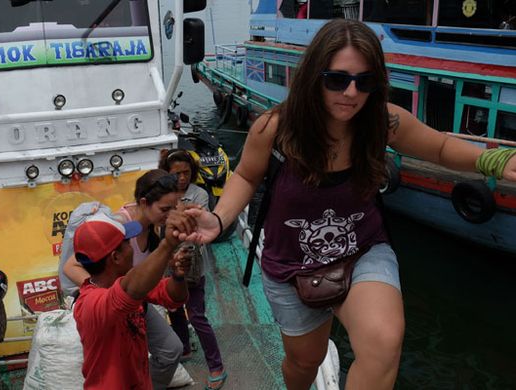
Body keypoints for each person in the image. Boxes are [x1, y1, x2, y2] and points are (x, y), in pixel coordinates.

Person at [180, 19, 516, 390]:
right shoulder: (276, 128)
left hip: (362, 250)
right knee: (304, 361)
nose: (352, 93)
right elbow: (245, 176)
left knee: (383, 341)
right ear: (314, 77)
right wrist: (218, 218)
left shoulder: (382, 123)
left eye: (364, 81)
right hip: (292, 263)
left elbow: (437, 146)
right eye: (337, 79)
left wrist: (493, 162)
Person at [63, 169, 184, 389]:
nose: (132, 246)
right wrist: (168, 246)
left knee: (170, 349)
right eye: (127, 244)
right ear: (116, 257)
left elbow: (172, 296)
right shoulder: (94, 304)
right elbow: (124, 290)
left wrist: (178, 274)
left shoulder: (130, 284)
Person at [158, 149, 227, 390]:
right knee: (175, 310)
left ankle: (216, 366)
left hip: (194, 264)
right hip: (169, 264)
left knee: (197, 316)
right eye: (177, 174)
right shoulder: (163, 195)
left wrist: (172, 208)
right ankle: (184, 347)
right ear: (167, 174)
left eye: (187, 173)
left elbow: (190, 225)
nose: (183, 178)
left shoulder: (199, 195)